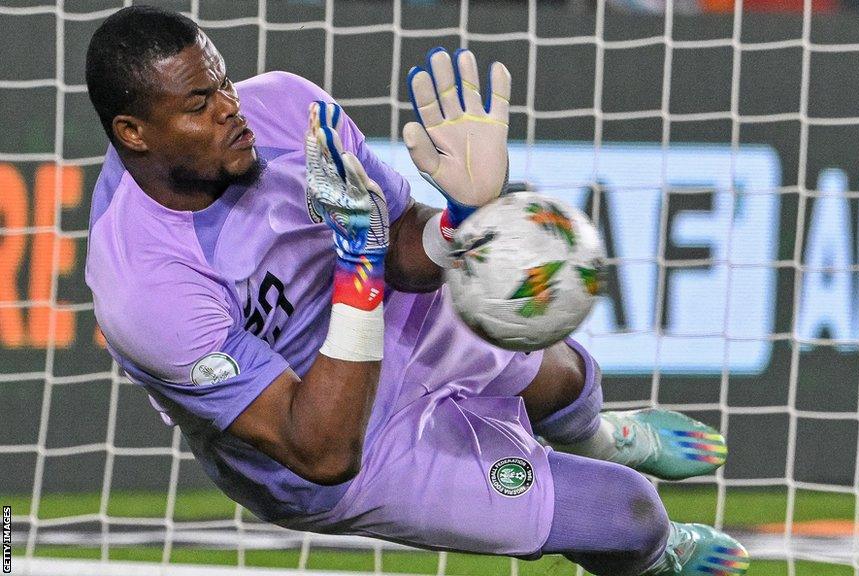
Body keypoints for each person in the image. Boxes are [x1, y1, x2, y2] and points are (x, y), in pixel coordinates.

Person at [83, 6, 748, 576]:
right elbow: (323, 451)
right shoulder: (142, 286)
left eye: (222, 80)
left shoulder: (285, 108)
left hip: (390, 309)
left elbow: (399, 242)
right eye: (199, 104)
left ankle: (602, 435)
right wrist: (359, 260)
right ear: (133, 134)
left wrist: (462, 214)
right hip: (344, 439)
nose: (231, 108)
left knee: (558, 368)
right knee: (626, 516)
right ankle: (663, 557)